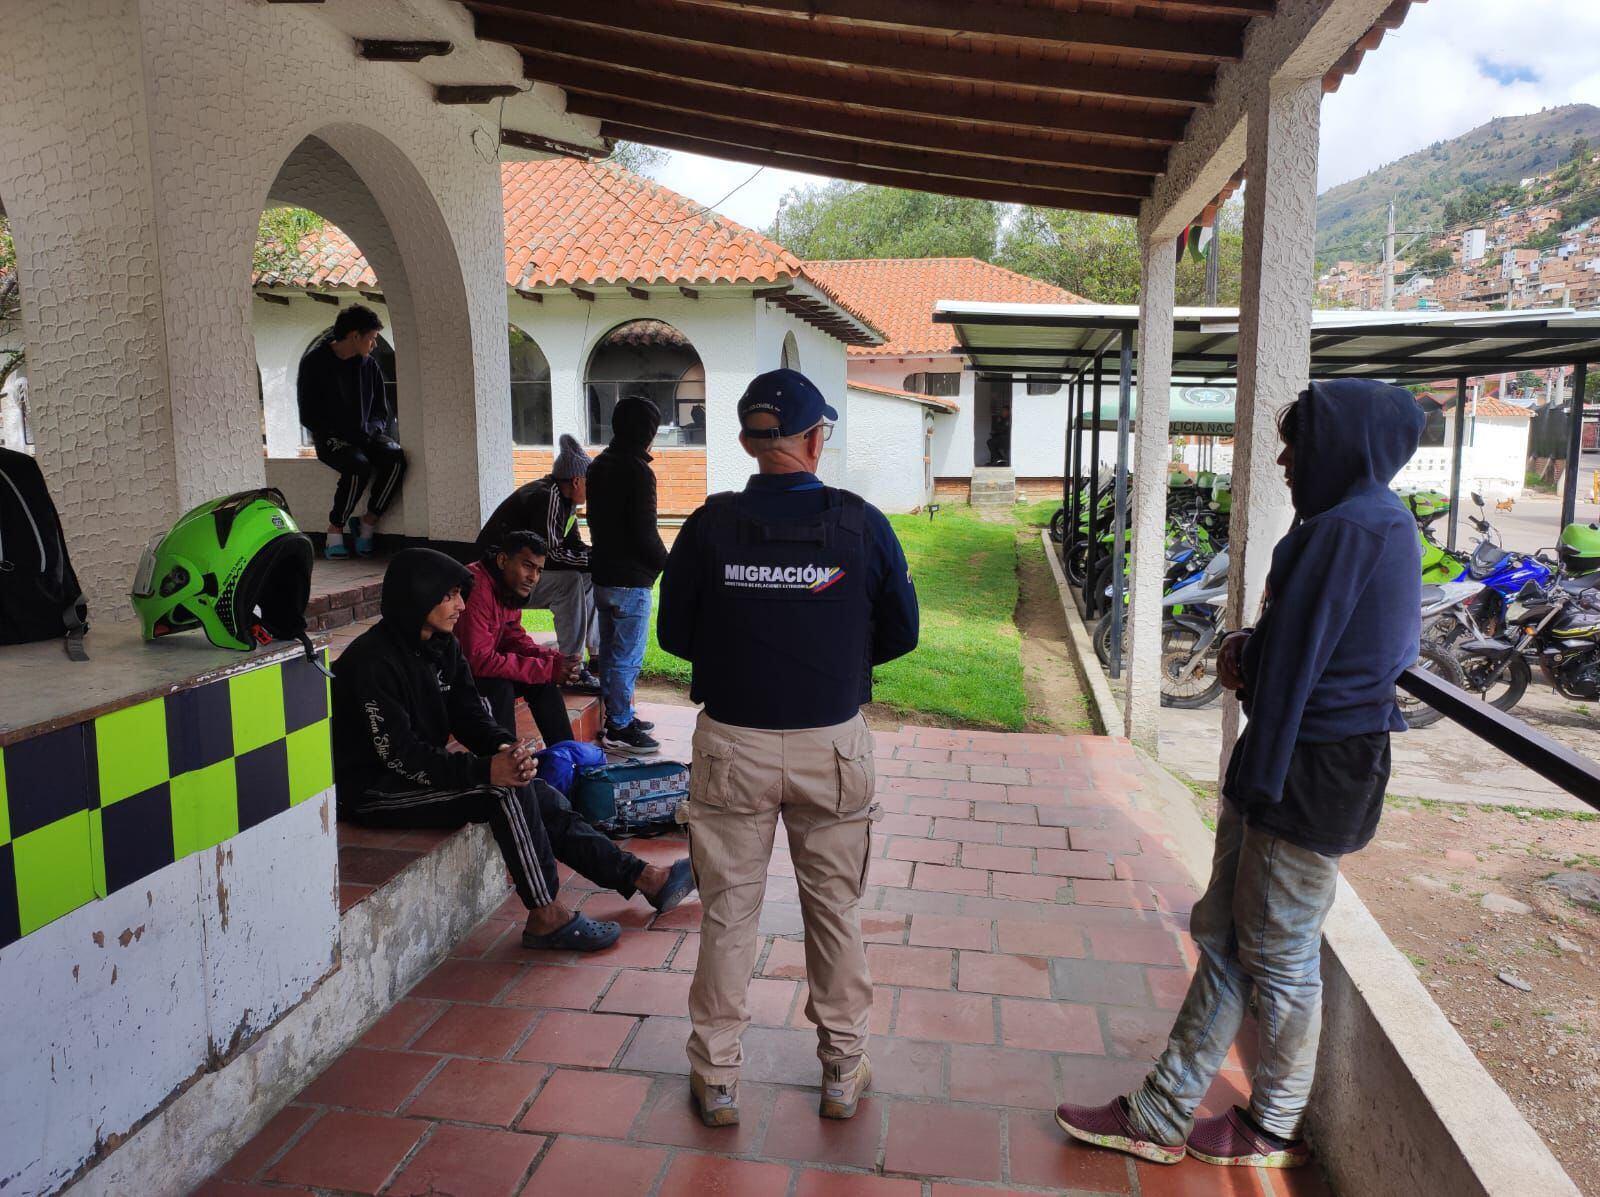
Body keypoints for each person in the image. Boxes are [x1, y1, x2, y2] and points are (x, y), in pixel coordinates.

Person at [1054, 379, 1425, 1170]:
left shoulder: (1354, 528)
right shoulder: (1358, 522)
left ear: (1343, 449)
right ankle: (1161, 1108)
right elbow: (1309, 644)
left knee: (1279, 949)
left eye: (1300, 444)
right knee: (1225, 929)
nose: (1286, 460)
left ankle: (1272, 1124)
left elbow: (1299, 659)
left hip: (1309, 767)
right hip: (1292, 756)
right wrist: (1251, 655)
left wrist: (1245, 657)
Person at [658, 368, 920, 1128]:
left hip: (730, 747)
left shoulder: (709, 526)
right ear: (814, 439)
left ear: (746, 439)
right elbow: (902, 631)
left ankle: (718, 1076)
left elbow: (674, 635)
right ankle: (842, 1070)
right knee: (834, 910)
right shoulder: (860, 523)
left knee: (729, 912)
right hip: (831, 748)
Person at [331, 547, 695, 952]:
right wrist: (484, 771)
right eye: (449, 595)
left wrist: (508, 749)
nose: (461, 605)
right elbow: (399, 756)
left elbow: (469, 714)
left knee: (532, 785)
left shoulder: (440, 644)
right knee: (501, 791)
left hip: (418, 772)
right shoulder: (371, 664)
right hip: (376, 790)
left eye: (460, 594)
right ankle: (545, 916)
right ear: (417, 595)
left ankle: (645, 878)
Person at [478, 435, 601, 692]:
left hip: (519, 574)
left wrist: (597, 559)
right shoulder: (548, 497)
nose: (594, 489)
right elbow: (552, 556)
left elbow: (574, 548)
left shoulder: (565, 503)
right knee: (569, 582)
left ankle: (596, 657)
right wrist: (594, 560)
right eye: (592, 483)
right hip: (494, 582)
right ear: (576, 480)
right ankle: (571, 667)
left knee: (589, 576)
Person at [586, 394, 669, 756]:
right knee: (626, 656)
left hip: (603, 575)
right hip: (630, 580)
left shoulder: (599, 464)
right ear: (645, 431)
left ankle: (621, 714)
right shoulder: (637, 471)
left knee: (611, 653)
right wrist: (669, 565)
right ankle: (618, 726)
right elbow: (644, 534)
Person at [297, 304, 406, 559]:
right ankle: (334, 530)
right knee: (358, 466)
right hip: (332, 439)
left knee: (396, 458)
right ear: (355, 336)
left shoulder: (369, 365)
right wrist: (340, 435)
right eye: (372, 338)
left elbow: (381, 410)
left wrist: (372, 430)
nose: (374, 345)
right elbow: (308, 414)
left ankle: (367, 522)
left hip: (366, 436)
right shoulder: (315, 363)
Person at [456, 530, 583, 748]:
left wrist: (553, 659)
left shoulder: (505, 586)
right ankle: (506, 764)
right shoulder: (477, 588)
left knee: (543, 681)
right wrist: (547, 668)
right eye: (527, 566)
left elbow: (513, 638)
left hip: (474, 668)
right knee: (499, 685)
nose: (533, 577)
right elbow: (478, 660)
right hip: (449, 679)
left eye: (539, 570)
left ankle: (568, 756)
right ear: (503, 560)